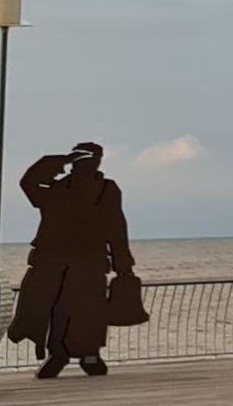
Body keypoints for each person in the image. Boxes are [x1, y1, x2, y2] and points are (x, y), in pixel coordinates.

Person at [12, 142, 141, 378]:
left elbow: (116, 227)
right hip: (54, 263)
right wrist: (61, 160)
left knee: (90, 311)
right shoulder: (56, 189)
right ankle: (57, 354)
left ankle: (90, 355)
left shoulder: (107, 189)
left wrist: (123, 266)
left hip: (90, 262)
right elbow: (28, 183)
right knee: (56, 311)